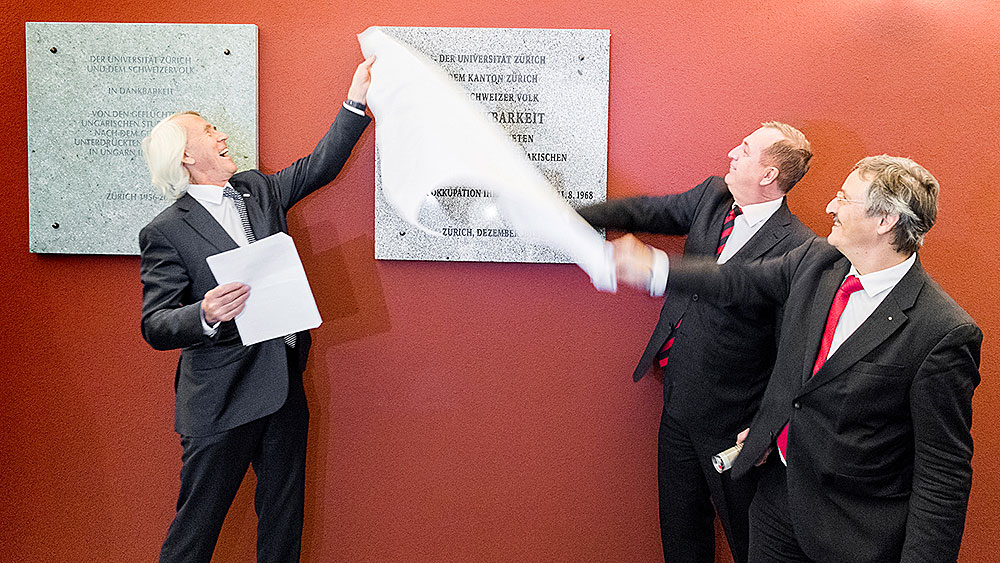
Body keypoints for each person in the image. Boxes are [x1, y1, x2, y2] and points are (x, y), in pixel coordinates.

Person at [612, 156, 982, 562]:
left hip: (851, 533)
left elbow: (942, 473)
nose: (830, 207)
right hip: (776, 504)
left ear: (886, 221)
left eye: (844, 198)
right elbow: (738, 280)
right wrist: (657, 269)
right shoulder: (817, 260)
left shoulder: (942, 332)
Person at [139, 57, 374, 563]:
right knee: (194, 534)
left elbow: (320, 165)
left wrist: (356, 98)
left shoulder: (257, 189)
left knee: (282, 528)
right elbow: (155, 324)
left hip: (284, 385)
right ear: (185, 155)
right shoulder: (165, 230)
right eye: (209, 130)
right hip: (222, 397)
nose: (221, 135)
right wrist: (204, 311)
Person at [577, 122, 814, 562]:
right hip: (677, 401)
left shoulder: (798, 248)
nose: (731, 153)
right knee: (681, 534)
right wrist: (575, 212)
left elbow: (792, 350)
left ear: (768, 175)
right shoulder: (712, 196)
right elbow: (648, 212)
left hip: (734, 423)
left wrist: (767, 427)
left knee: (751, 541)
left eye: (744, 150)